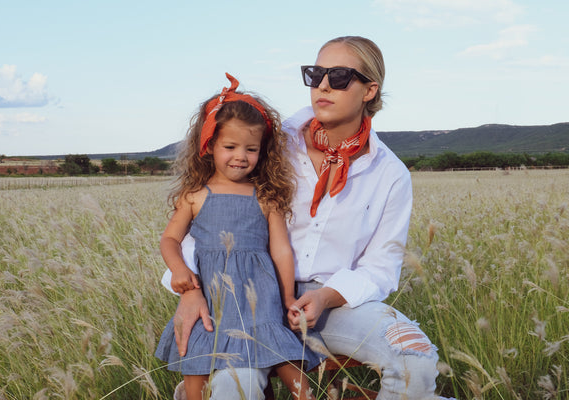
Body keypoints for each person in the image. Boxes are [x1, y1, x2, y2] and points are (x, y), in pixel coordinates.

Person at [171, 36, 451, 400]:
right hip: (248, 298)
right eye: (315, 74)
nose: (322, 85)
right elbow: (210, 218)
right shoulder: (268, 143)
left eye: (338, 76)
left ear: (370, 90)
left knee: (415, 357)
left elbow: (381, 267)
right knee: (231, 386)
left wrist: (325, 298)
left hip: (334, 306)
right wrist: (191, 290)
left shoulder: (391, 173)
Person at [155, 73, 321, 400]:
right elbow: (169, 240)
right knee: (197, 358)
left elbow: (281, 251)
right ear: (210, 146)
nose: (240, 156)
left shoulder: (265, 196)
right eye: (229, 147)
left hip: (260, 297)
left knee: (281, 352)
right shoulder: (195, 196)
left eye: (251, 149)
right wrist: (179, 270)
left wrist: (287, 298)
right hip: (212, 296)